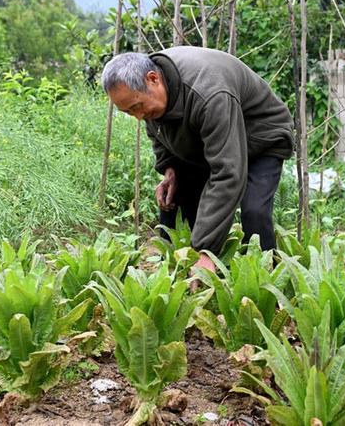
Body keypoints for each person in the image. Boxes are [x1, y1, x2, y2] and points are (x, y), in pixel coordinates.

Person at [101, 47, 294, 274]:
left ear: (153, 79)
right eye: (128, 112)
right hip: (209, 140)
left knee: (254, 212)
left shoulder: (209, 93)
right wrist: (170, 169)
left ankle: (266, 282)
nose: (138, 117)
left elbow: (227, 173)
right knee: (172, 203)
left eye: (136, 107)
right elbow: (161, 132)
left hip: (261, 137)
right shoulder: (151, 92)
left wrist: (206, 251)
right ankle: (179, 275)